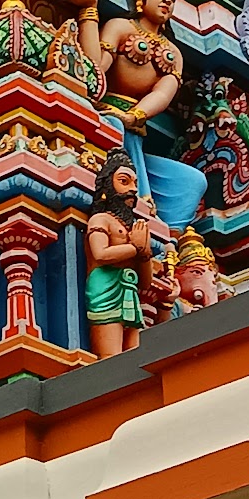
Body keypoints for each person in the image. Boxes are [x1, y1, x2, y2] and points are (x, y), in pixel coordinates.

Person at [69, 0, 207, 231]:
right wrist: (89, 12)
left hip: (133, 127)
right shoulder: (120, 27)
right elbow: (95, 69)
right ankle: (140, 210)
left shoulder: (173, 54)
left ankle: (168, 240)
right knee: (119, 131)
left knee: (193, 181)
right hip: (105, 119)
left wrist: (135, 116)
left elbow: (164, 93)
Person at [85, 151, 152, 359]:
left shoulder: (136, 228)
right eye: (124, 181)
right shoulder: (100, 220)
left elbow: (146, 283)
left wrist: (144, 255)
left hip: (130, 291)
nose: (132, 189)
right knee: (111, 358)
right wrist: (136, 248)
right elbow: (100, 254)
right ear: (107, 187)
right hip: (105, 289)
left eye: (134, 183)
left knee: (135, 358)